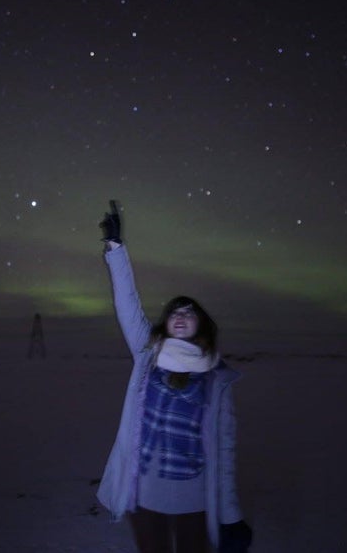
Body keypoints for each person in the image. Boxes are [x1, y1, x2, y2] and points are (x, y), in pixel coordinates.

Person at [96, 200, 253, 553]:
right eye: (174, 312)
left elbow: (224, 455)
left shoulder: (217, 379)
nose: (180, 316)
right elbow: (127, 303)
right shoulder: (147, 355)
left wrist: (231, 516)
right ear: (166, 323)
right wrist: (116, 248)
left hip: (193, 498)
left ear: (202, 326)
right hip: (144, 491)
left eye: (189, 313)